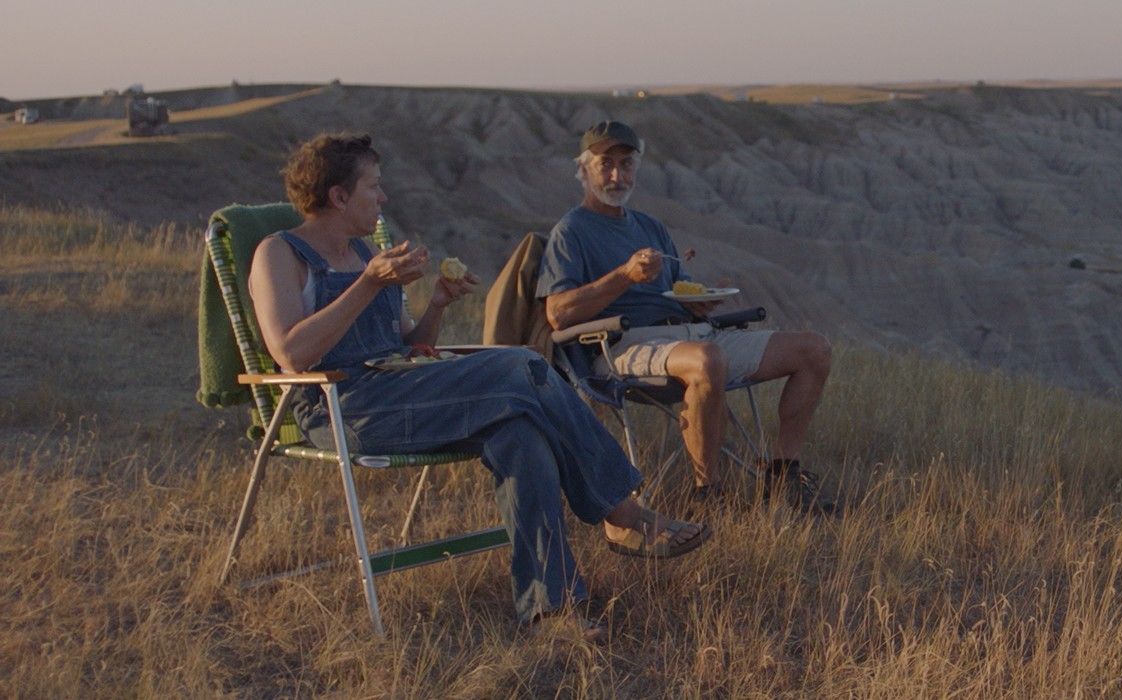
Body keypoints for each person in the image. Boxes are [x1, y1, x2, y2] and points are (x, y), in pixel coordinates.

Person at [247, 132, 709, 639]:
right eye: (374, 187)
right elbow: (290, 353)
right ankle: (620, 509)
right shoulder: (280, 254)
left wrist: (437, 304)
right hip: (343, 408)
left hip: (404, 392)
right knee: (521, 365)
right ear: (338, 196)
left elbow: (410, 348)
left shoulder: (363, 255)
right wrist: (369, 285)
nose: (383, 198)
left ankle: (549, 611)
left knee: (520, 433)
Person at [536, 121, 837, 514]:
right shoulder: (571, 231)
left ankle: (783, 476)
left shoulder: (650, 227)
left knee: (814, 350)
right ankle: (706, 495)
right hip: (623, 345)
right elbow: (558, 315)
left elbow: (680, 289)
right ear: (584, 169)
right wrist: (625, 276)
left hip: (692, 333)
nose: (616, 175)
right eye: (605, 164)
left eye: (626, 164)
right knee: (707, 358)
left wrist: (700, 300)